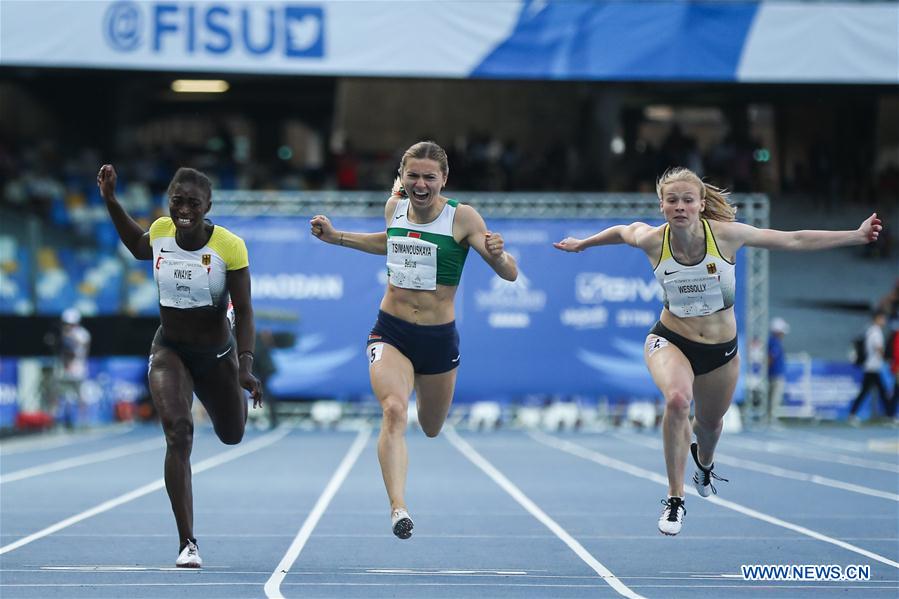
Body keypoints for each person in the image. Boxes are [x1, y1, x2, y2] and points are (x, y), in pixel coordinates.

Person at [553, 166, 882, 536]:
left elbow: (795, 240)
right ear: (661, 205)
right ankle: (675, 499)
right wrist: (583, 243)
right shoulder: (651, 240)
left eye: (687, 200)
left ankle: (704, 463)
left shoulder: (726, 237)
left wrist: (855, 235)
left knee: (708, 426)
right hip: (670, 339)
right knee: (677, 400)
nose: (680, 207)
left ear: (700, 204)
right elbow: (620, 231)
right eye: (672, 200)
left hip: (721, 351)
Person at [310, 140, 518, 539]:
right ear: (402, 178)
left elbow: (508, 274)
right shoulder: (395, 208)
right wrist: (337, 237)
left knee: (431, 426)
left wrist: (498, 254)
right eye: (413, 176)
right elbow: (388, 242)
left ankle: (409, 470)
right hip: (392, 330)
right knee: (393, 411)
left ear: (443, 179)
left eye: (429, 177)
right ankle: (398, 507)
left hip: (439, 339)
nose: (421, 185)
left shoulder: (463, 219)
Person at [97, 164, 262, 567]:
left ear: (208, 206)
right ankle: (187, 542)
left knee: (232, 434)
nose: (184, 209)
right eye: (177, 201)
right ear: (168, 202)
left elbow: (244, 310)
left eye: (193, 203)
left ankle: (227, 401)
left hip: (217, 355)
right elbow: (138, 245)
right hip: (170, 347)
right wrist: (111, 200)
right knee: (178, 431)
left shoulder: (229, 246)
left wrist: (244, 366)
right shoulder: (160, 232)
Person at [847, 311, 893, 425]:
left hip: (871, 366)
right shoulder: (876, 332)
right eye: (883, 318)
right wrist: (887, 359)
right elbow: (878, 349)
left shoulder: (869, 330)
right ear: (877, 319)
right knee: (871, 392)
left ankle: (889, 415)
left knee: (879, 392)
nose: (884, 321)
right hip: (873, 367)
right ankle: (889, 415)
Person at [55, 308, 91, 427]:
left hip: (77, 367)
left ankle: (83, 421)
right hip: (66, 368)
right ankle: (68, 420)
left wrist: (69, 337)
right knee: (65, 395)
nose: (67, 325)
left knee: (80, 395)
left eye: (69, 323)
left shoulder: (82, 334)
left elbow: (76, 350)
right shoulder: (65, 333)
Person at [767, 317, 790, 424]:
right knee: (774, 398)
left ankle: (770, 418)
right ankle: (771, 419)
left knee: (772, 398)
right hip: (775, 374)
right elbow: (771, 357)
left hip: (773, 373)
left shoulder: (772, 341)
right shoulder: (775, 342)